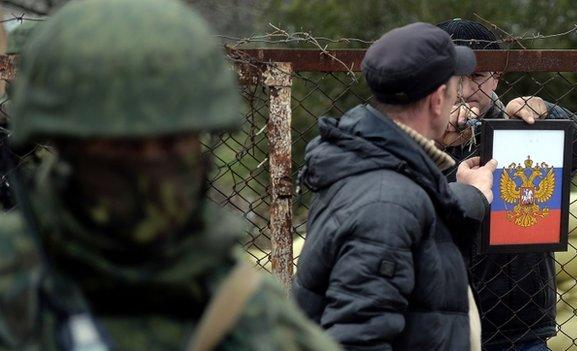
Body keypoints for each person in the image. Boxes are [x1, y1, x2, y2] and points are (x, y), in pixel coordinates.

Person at [0, 0, 341, 350]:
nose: (150, 165)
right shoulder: (13, 276)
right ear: (68, 143)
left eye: (173, 141)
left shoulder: (249, 312)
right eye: (124, 146)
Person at [293, 22, 497, 351]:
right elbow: (359, 340)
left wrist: (470, 195)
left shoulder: (374, 162)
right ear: (437, 99)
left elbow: (413, 223)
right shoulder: (387, 204)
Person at [437, 18, 577, 351]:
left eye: (478, 76)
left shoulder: (518, 126)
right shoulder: (412, 135)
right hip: (439, 319)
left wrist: (547, 114)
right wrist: (436, 142)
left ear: (497, 77)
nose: (465, 90)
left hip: (519, 321)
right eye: (451, 77)